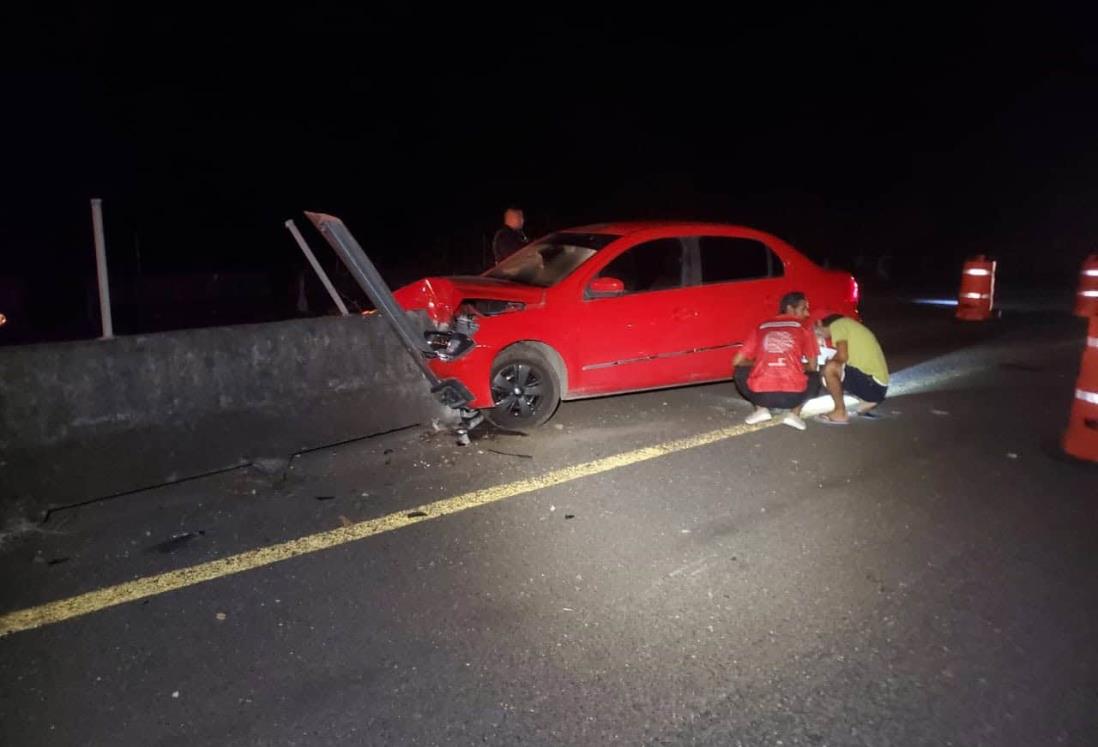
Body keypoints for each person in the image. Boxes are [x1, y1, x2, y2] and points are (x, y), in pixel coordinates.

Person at [732, 291, 819, 431]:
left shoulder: (762, 326)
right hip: (793, 397)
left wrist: (763, 362)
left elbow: (737, 361)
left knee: (740, 371)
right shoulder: (805, 328)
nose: (807, 314)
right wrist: (795, 364)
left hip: (762, 395)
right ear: (790, 308)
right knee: (815, 374)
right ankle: (794, 414)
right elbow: (813, 366)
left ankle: (760, 409)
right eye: (804, 309)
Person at [814, 313, 889, 424]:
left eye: (814, 331)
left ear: (819, 323)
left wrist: (825, 365)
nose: (815, 336)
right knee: (831, 367)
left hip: (872, 384)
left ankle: (840, 413)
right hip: (878, 385)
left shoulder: (838, 326)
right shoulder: (848, 325)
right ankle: (868, 399)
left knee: (829, 369)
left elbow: (842, 357)